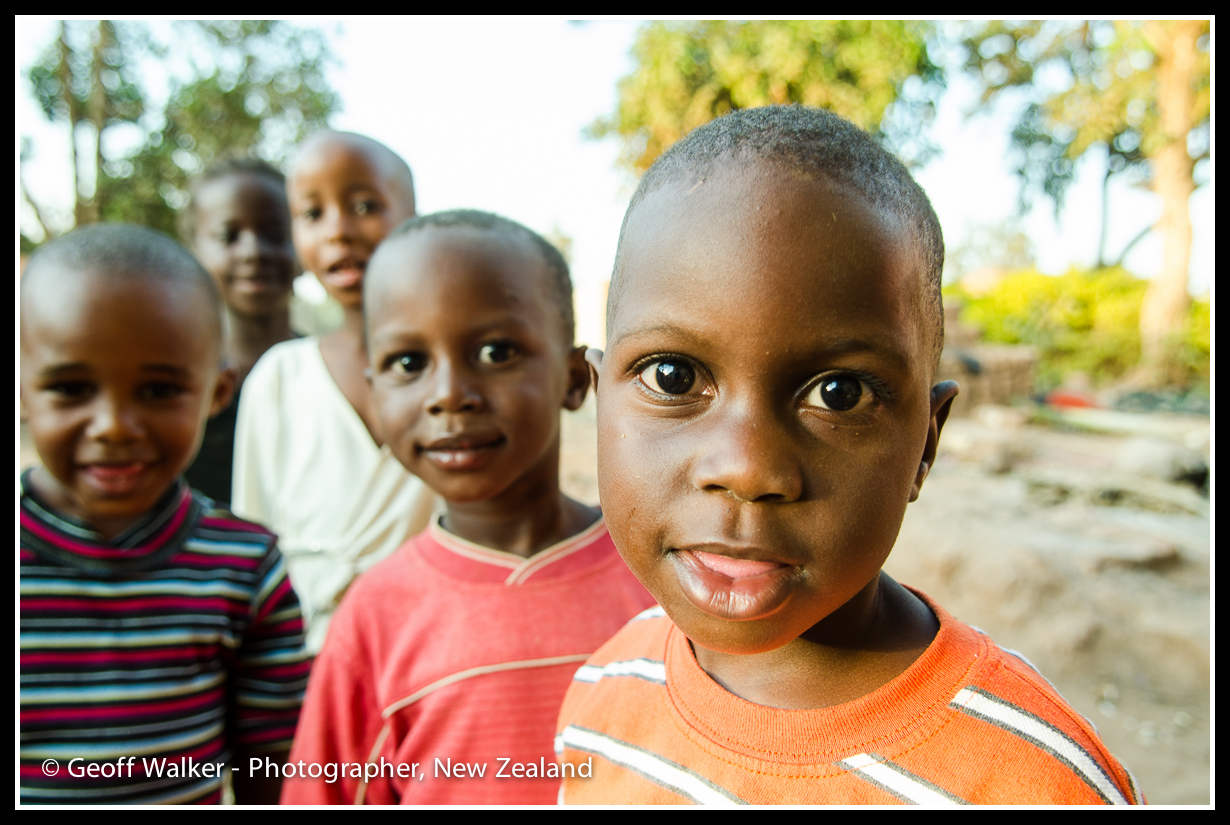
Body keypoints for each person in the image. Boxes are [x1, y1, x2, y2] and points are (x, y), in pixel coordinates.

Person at [553, 106, 1142, 805]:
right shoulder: (601, 695)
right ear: (599, 398)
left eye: (839, 394)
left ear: (926, 442)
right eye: (673, 377)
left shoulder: (1036, 785)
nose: (747, 468)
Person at [280, 210, 656, 805]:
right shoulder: (375, 616)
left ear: (573, 378)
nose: (449, 394)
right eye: (409, 363)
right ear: (374, 394)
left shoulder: (660, 579)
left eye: (496, 352)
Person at [19, 224, 310, 805]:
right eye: (72, 389)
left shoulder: (246, 568)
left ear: (218, 393)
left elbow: (269, 768)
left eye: (157, 391)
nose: (113, 426)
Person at [230, 131, 437, 652]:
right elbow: (252, 548)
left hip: (435, 655)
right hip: (305, 665)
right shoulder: (278, 380)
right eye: (312, 213)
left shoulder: (451, 372)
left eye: (365, 206)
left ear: (413, 218)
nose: (338, 231)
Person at [182, 157, 298, 505]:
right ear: (194, 250)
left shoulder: (332, 376)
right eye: (228, 236)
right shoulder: (174, 386)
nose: (253, 252)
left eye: (275, 234)